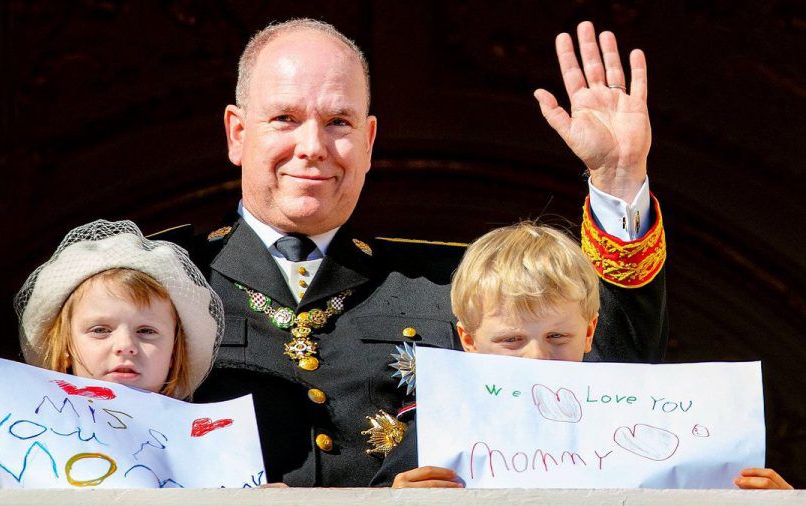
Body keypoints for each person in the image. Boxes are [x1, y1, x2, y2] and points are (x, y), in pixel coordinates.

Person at [156, 18, 668, 486]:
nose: (313, 145)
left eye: (339, 122)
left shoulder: (453, 284)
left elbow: (603, 381)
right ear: (238, 134)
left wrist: (618, 179)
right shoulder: (161, 280)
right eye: (285, 118)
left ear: (370, 140)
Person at [380, 223, 792, 490]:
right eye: (511, 340)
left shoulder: (642, 414)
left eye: (558, 336)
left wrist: (777, 505)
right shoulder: (431, 433)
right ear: (468, 339)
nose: (537, 357)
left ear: (590, 331)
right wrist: (391, 502)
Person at [0, 219, 224, 490]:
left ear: (174, 352)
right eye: (100, 330)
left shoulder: (213, 454)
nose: (125, 345)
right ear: (66, 347)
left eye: (147, 331)